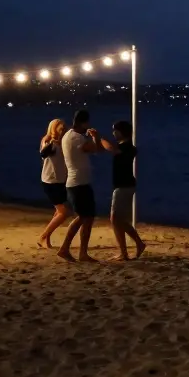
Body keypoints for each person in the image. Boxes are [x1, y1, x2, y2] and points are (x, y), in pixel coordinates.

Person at [57, 109, 104, 262]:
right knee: (83, 217)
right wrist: (96, 137)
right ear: (83, 123)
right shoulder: (77, 138)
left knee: (87, 218)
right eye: (87, 122)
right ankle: (65, 248)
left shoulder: (68, 136)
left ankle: (82, 253)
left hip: (78, 183)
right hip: (78, 184)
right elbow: (98, 150)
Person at [99, 119, 145, 261]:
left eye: (115, 130)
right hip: (124, 185)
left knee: (115, 219)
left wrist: (99, 139)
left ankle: (126, 250)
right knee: (119, 219)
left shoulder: (127, 147)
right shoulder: (125, 147)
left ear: (121, 132)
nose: (113, 133)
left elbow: (112, 149)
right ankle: (135, 245)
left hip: (124, 186)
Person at [36, 118, 70, 249]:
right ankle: (44, 236)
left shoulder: (62, 143)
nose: (62, 131)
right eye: (60, 129)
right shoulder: (50, 143)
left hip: (61, 180)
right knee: (63, 212)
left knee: (60, 211)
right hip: (51, 181)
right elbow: (44, 153)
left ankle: (46, 237)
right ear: (54, 129)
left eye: (63, 129)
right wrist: (47, 142)